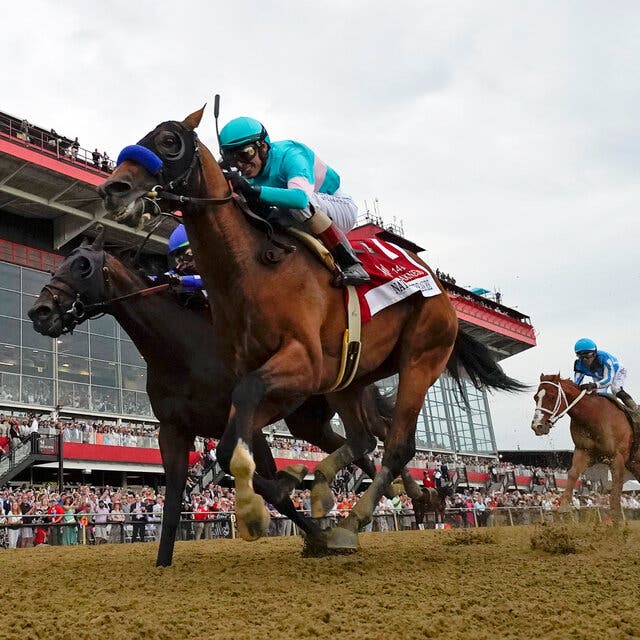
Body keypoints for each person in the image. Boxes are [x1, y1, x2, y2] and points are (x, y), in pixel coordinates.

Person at [218, 116, 370, 286]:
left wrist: (252, 189)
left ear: (264, 147)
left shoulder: (292, 154)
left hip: (340, 208)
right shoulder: (249, 166)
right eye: (232, 159)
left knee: (299, 205)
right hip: (301, 216)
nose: (240, 164)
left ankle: (351, 263)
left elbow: (300, 199)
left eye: (246, 154)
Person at [573, 338, 637, 410]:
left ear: (594, 353)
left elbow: (608, 380)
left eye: (587, 355)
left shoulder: (605, 359)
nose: (585, 360)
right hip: (599, 375)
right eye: (581, 356)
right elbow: (576, 385)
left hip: (617, 372)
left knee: (616, 389)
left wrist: (593, 385)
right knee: (598, 394)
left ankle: (635, 409)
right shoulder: (578, 364)